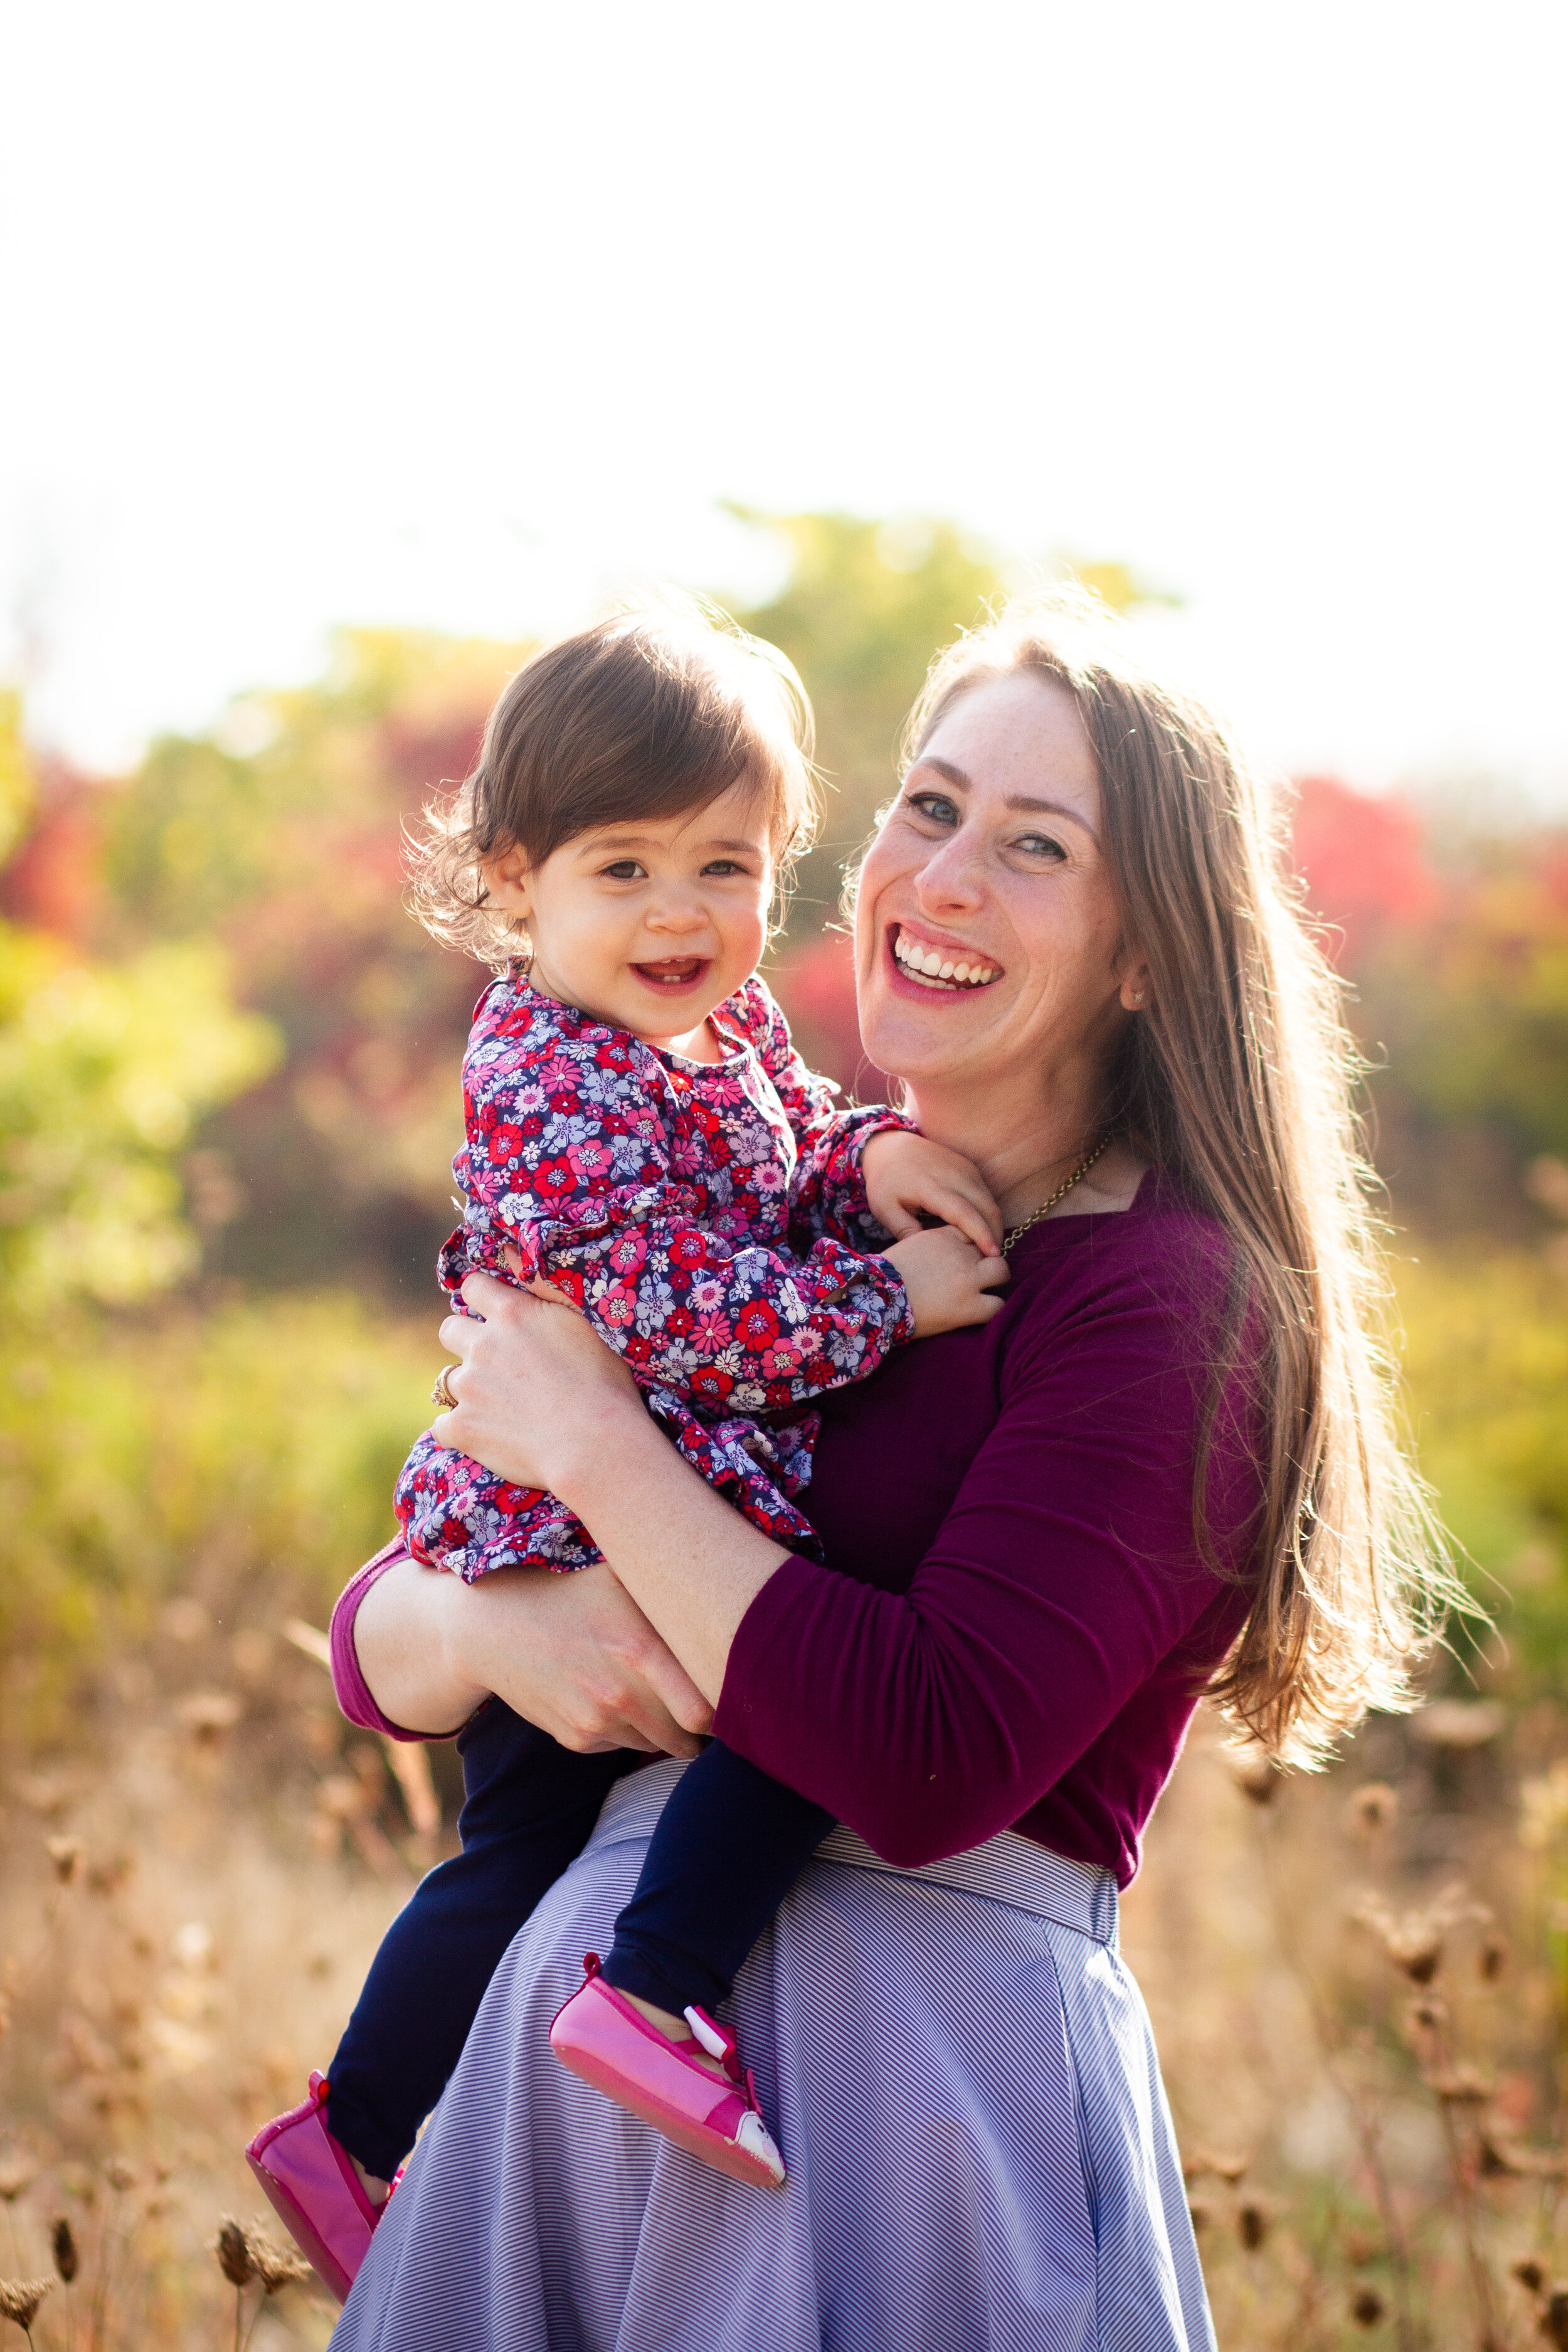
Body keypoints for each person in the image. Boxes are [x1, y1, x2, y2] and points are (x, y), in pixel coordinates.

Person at [326, 590, 1454, 2352]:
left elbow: (925, 1758)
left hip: (903, 2109)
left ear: (1144, 949)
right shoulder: (766, 1201)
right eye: (926, 809)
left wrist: (601, 1450)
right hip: (564, 2100)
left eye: (1030, 847)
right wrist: (497, 1638)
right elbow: (384, 1635)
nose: (938, 880)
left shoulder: (1166, 1301)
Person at [246, 604, 1012, 2284]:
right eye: (624, 868)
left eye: (723, 866)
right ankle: (654, 1993)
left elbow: (781, 1150)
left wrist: (865, 1152)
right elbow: (676, 1309)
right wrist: (887, 1304)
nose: (682, 911)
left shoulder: (713, 1036)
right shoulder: (548, 1073)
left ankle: (353, 2134)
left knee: (515, 1851)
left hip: (612, 1509)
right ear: (516, 881)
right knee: (805, 1702)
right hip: (570, 1530)